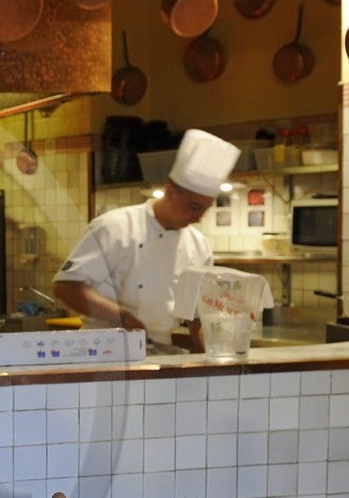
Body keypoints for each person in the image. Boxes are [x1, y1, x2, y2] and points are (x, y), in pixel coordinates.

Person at [53, 127, 241, 347]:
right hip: (103, 349)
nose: (198, 217)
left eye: (204, 209)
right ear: (169, 192)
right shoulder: (114, 227)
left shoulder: (198, 246)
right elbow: (65, 287)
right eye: (193, 207)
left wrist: (213, 359)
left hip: (159, 349)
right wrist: (123, 318)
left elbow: (197, 315)